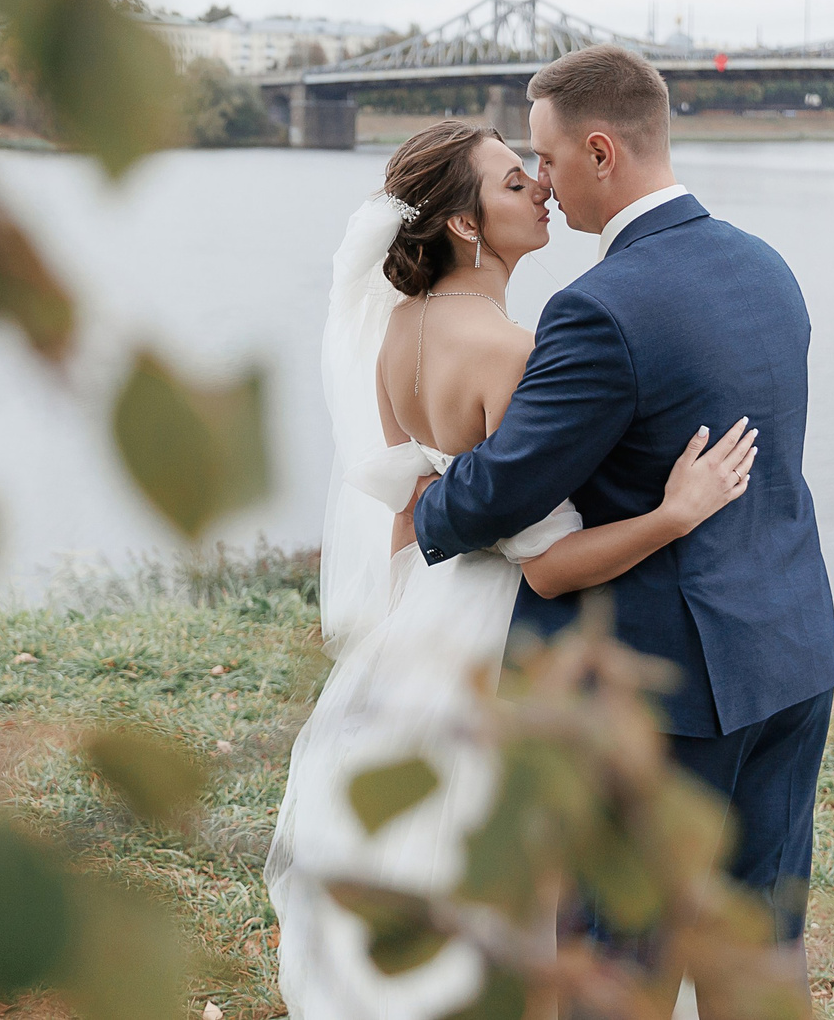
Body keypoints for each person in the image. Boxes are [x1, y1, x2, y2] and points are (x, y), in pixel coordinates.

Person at [267, 117, 760, 1019]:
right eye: (510, 183)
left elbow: (410, 517)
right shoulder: (512, 350)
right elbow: (549, 569)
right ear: (463, 225)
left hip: (420, 626)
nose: (540, 186)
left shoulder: (399, 332)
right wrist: (674, 513)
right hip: (500, 637)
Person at [410, 45, 834, 980]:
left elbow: (506, 489)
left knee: (619, 962)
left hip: (663, 695)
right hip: (791, 658)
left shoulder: (598, 309)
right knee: (759, 951)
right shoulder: (768, 268)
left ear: (601, 151)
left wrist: (427, 505)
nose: (547, 187)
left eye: (551, 160)